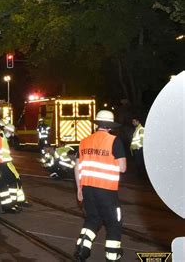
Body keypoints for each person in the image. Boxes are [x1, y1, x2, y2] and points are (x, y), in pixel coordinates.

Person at [74, 110, 127, 262]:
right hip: (106, 190)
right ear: (110, 126)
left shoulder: (84, 141)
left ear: (97, 124)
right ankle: (112, 255)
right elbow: (122, 168)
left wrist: (79, 189)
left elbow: (77, 167)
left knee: (92, 219)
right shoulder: (114, 141)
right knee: (114, 223)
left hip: (87, 189)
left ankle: (81, 249)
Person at [1, 123, 31, 208]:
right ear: (5, 130)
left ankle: (20, 200)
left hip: (8, 163)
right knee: (12, 182)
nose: (11, 134)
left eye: (11, 132)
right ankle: (12, 203)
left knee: (17, 179)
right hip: (4, 164)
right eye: (10, 132)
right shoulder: (1, 138)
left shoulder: (4, 138)